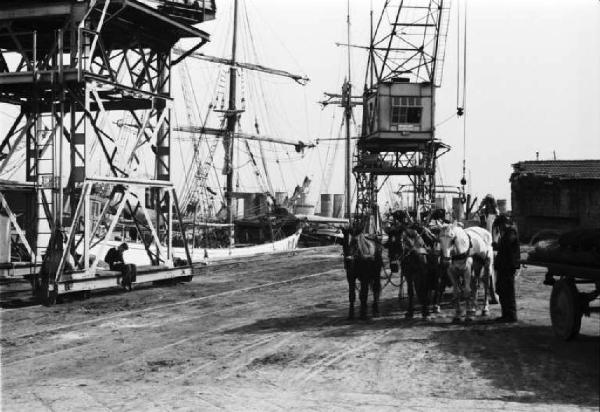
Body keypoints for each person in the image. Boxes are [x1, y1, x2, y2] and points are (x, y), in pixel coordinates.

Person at [492, 214, 520, 322]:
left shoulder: (511, 232)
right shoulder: (507, 233)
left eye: (499, 226)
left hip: (508, 267)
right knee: (502, 290)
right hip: (503, 267)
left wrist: (497, 245)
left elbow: (507, 244)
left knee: (508, 291)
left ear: (503, 224)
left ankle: (511, 315)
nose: (499, 229)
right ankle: (506, 314)